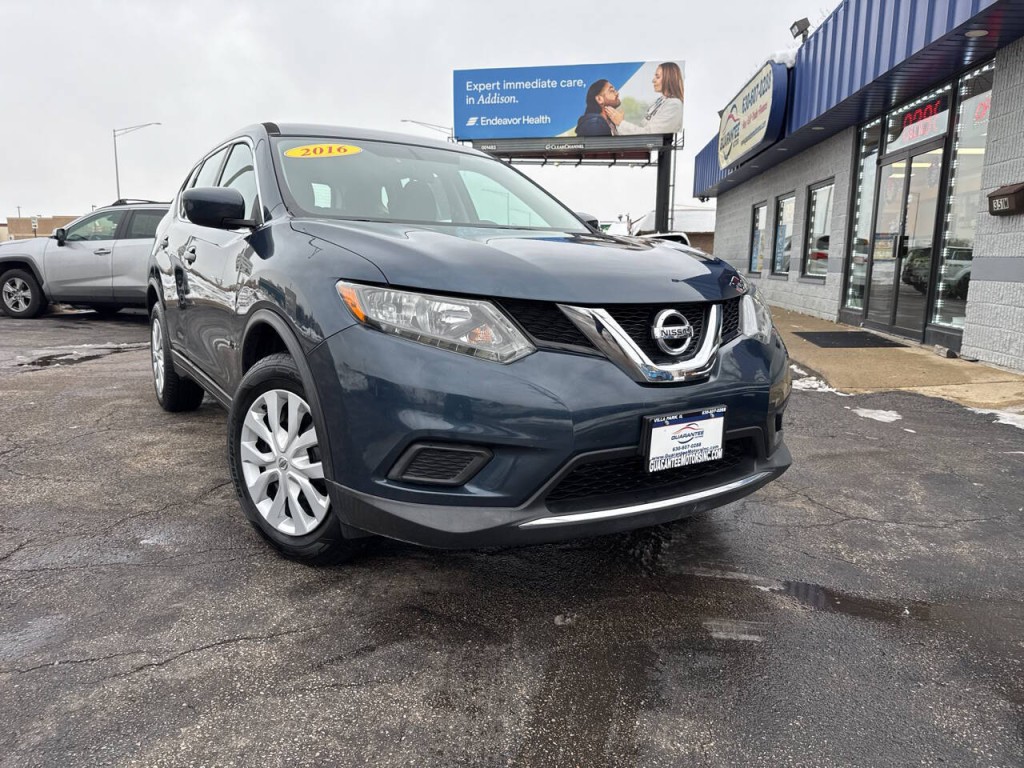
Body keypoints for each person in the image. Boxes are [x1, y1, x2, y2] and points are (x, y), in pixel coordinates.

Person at [603, 62, 684, 135]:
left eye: (657, 77)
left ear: (668, 78)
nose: (653, 80)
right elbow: (643, 127)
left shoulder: (674, 105)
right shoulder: (660, 101)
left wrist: (621, 123)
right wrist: (620, 122)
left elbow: (649, 133)